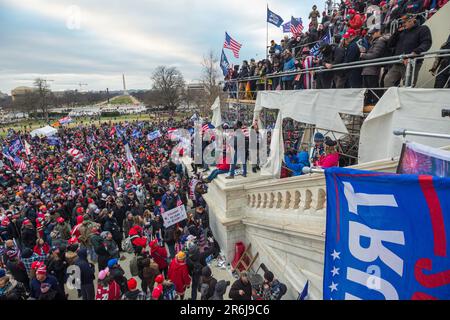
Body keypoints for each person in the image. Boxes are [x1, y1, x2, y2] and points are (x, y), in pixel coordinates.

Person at [384, 13, 432, 87]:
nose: (403, 24)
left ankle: (405, 98)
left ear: (412, 20)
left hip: (412, 62)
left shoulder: (422, 29)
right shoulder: (401, 32)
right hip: (398, 62)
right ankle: (391, 98)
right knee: (388, 81)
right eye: (402, 22)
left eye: (405, 22)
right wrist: (396, 32)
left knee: (408, 84)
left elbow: (427, 42)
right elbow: (390, 44)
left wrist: (416, 51)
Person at [360, 26, 390, 104]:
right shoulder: (376, 41)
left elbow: (374, 55)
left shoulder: (379, 41)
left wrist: (363, 55)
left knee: (373, 90)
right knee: (369, 90)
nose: (372, 35)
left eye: (373, 33)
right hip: (369, 69)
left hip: (372, 70)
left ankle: (375, 105)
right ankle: (371, 105)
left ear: (378, 32)